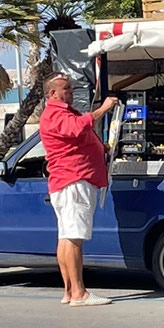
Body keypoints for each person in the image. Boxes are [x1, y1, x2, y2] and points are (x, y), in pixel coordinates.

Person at [40, 71, 118, 307]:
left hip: (68, 181)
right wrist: (103, 108)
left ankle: (69, 291)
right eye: (67, 88)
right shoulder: (55, 114)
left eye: (71, 88)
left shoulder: (58, 114)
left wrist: (99, 147)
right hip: (73, 180)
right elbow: (76, 127)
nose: (71, 92)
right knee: (73, 238)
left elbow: (75, 135)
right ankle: (79, 293)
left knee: (66, 237)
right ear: (53, 92)